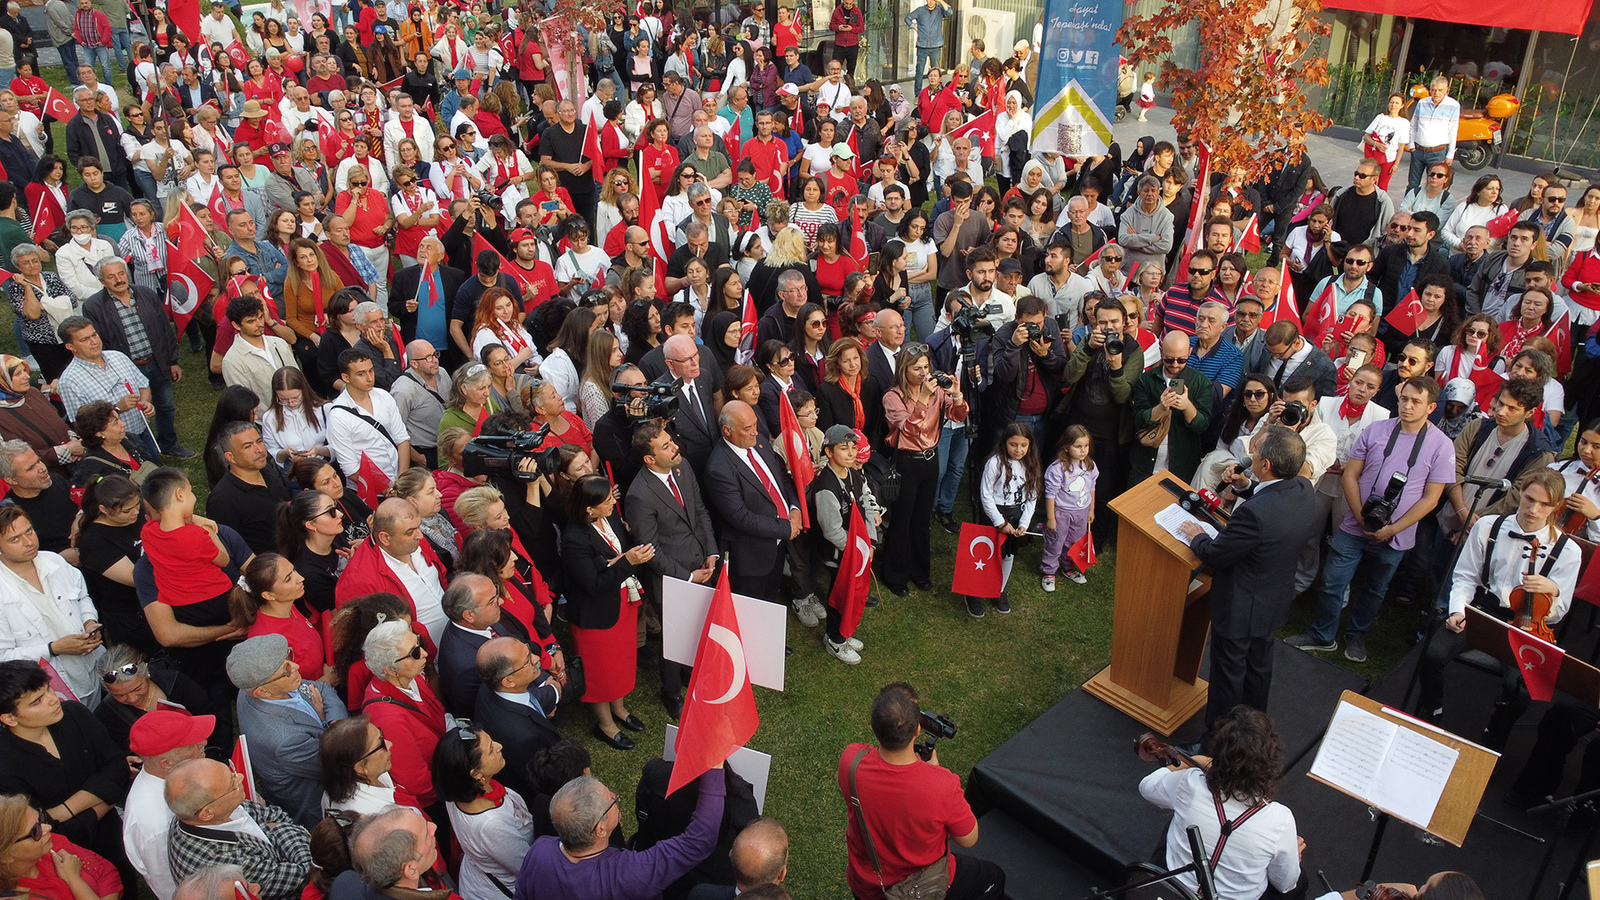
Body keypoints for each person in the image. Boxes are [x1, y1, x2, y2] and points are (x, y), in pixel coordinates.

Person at [1288, 377, 1455, 660]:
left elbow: (1432, 499)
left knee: (1376, 589)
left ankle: (1357, 635)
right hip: (1355, 524)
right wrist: (1360, 516)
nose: (1407, 406)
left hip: (1396, 535)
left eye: (1416, 402)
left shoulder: (1442, 445)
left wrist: (1392, 528)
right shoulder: (1377, 430)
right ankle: (1322, 634)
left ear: (1431, 407)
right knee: (1332, 580)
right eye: (1404, 399)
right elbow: (1351, 475)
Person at [1176, 427, 1323, 730]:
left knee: (1227, 681)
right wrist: (1246, 487)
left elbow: (1215, 554)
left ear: (1265, 465)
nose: (1251, 455)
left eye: (1255, 451)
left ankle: (1217, 742)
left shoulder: (1254, 515)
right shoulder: (1303, 489)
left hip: (1240, 609)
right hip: (1272, 601)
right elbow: (1274, 498)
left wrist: (1198, 535)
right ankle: (1254, 733)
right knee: (1258, 672)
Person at [1420, 469, 1582, 741]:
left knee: (1520, 690)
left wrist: (1550, 592)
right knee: (1433, 654)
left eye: (1544, 505)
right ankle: (1432, 710)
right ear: (1521, 493)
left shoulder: (1567, 551)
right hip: (1483, 610)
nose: (1533, 510)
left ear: (1556, 507)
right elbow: (1466, 576)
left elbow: (1559, 610)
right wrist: (1458, 610)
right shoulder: (1488, 526)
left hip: (1525, 626)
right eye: (1529, 499)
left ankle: (1495, 733)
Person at [838, 682, 999, 900]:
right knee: (994, 878)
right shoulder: (942, 785)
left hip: (866, 887)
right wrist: (933, 772)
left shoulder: (851, 761)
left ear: (871, 723)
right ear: (917, 730)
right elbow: (968, 839)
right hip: (921, 887)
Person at [1138, 707, 1303, 900]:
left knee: (1176, 814)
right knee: (1300, 883)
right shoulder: (1280, 820)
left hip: (1174, 892)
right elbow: (1285, 884)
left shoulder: (1190, 784)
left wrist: (1193, 761)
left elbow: (1147, 787)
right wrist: (1293, 858)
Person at [0, 660, 129, 887]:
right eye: (37, 701)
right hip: (62, 858)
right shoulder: (5, 766)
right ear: (9, 718)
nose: (53, 699)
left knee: (124, 885)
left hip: (111, 836)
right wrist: (106, 799)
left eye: (48, 689)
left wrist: (64, 810)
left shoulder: (74, 714)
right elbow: (47, 831)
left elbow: (118, 766)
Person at [513, 765, 726, 900]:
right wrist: (714, 766)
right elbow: (699, 840)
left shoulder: (540, 850)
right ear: (600, 829)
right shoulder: (625, 875)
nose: (615, 798)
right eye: (611, 800)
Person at [626, 422, 715, 719]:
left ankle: (690, 671)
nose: (675, 446)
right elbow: (650, 550)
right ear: (649, 459)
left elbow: (700, 510)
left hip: (701, 564)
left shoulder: (683, 467)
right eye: (666, 446)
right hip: (671, 579)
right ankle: (671, 691)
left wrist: (711, 552)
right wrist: (688, 577)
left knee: (697, 626)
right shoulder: (640, 495)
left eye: (671, 440)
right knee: (674, 638)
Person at [561, 473, 650, 751]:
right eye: (608, 499)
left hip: (621, 603)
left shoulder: (610, 517)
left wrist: (627, 557)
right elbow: (593, 584)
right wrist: (627, 562)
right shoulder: (574, 538)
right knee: (600, 671)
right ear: (590, 508)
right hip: (596, 615)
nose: (613, 501)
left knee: (621, 661)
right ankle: (605, 725)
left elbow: (620, 549)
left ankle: (619, 709)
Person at [228, 633, 348, 827]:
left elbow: (323, 689)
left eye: (288, 658)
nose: (295, 666)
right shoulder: (284, 740)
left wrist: (335, 723)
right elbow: (337, 762)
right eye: (285, 669)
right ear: (262, 692)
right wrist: (325, 721)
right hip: (316, 804)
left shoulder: (261, 686)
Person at [81, 257, 190, 458]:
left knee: (165, 406)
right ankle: (138, 452)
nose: (119, 280)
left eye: (121, 273)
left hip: (157, 363)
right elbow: (99, 343)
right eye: (111, 277)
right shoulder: (93, 306)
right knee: (134, 412)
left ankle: (168, 445)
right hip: (128, 370)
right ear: (102, 281)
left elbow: (165, 329)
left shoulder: (146, 294)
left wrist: (173, 361)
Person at [881, 345, 966, 597]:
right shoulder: (893, 397)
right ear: (903, 369)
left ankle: (919, 571)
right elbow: (909, 428)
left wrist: (957, 396)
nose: (923, 373)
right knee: (902, 519)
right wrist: (923, 398)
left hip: (930, 459)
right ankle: (894, 575)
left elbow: (958, 416)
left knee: (921, 518)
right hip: (907, 462)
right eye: (916, 368)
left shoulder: (936, 390)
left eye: (926, 367)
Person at [164, 758, 313, 900]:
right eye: (232, 785)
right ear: (207, 813)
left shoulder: (206, 809)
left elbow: (277, 815)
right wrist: (279, 829)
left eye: (232, 773)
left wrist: (278, 832)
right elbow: (306, 871)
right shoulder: (224, 864)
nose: (240, 777)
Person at [0, 505, 104, 705]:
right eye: (15, 539)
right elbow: (3, 657)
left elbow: (82, 596)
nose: (28, 542)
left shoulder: (54, 561)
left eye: (29, 531)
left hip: (93, 670)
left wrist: (89, 621)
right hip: (52, 692)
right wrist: (54, 648)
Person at [707, 401, 800, 600]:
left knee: (771, 595)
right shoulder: (719, 468)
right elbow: (740, 517)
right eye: (747, 428)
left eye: (755, 425)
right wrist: (785, 528)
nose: (755, 432)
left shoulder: (759, 442)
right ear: (727, 430)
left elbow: (782, 477)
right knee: (752, 605)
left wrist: (795, 508)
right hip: (752, 556)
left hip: (777, 543)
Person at [433, 723, 533, 900]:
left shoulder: (457, 792)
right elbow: (526, 865)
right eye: (491, 750)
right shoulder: (491, 826)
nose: (499, 746)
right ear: (476, 774)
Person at [123, 710, 213, 900]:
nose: (204, 742)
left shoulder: (176, 778)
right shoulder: (155, 824)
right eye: (192, 744)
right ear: (166, 764)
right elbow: (171, 885)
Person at [359, 619, 447, 811]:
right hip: (438, 798)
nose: (424, 653)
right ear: (391, 670)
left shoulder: (410, 677)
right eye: (414, 653)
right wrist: (455, 788)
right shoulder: (386, 718)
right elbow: (417, 782)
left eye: (419, 643)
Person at [334, 498, 448, 645]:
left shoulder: (415, 542)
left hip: (451, 635)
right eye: (410, 532)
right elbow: (366, 641)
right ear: (385, 538)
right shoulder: (358, 579)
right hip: (421, 653)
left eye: (419, 526)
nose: (420, 535)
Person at [472, 636, 561, 804]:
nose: (536, 659)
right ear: (508, 681)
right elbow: (543, 781)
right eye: (527, 660)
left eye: (529, 652)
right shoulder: (524, 738)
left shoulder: (491, 685)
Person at [0, 794, 123, 900]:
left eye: (41, 818)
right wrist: (74, 879)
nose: (48, 828)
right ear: (5, 855)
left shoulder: (50, 844)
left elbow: (107, 873)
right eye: (35, 831)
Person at [1130, 331, 1214, 485]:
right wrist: (1161, 408)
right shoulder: (1147, 379)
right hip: (1146, 463)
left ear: (1190, 352)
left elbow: (1202, 426)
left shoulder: (1200, 382)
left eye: (1181, 360)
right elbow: (1138, 419)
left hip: (1182, 466)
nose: (1175, 364)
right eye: (1169, 359)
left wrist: (1187, 406)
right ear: (1161, 352)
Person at [207, 422, 295, 555]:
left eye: (259, 441)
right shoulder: (223, 500)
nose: (259, 449)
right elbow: (228, 550)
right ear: (230, 457)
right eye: (248, 446)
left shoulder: (266, 469)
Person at [1039, 426, 1097, 591]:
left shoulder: (1089, 465)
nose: (1083, 450)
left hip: (1081, 512)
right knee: (1055, 542)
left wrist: (1091, 509)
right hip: (1061, 513)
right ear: (1066, 447)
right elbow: (1050, 495)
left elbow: (1091, 488)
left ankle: (1068, 567)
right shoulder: (1057, 469)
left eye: (1086, 446)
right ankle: (1049, 571)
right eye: (1078, 446)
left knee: (1075, 542)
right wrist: (1051, 518)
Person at [1408, 77, 1460, 196]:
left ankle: (1427, 208)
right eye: (1433, 90)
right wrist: (1411, 146)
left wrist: (1450, 154)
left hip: (1437, 152)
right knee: (1412, 184)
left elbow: (1453, 131)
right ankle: (1407, 207)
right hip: (1418, 150)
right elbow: (1413, 125)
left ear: (1446, 90)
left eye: (1440, 90)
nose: (1436, 93)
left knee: (1434, 185)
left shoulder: (1453, 105)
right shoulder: (1422, 103)